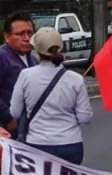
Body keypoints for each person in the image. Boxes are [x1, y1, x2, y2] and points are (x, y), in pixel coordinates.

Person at [10, 29, 92, 164]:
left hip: (37, 144)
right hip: (71, 145)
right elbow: (85, 118)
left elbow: (15, 112)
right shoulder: (75, 79)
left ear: (36, 51)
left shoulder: (26, 75)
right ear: (61, 48)